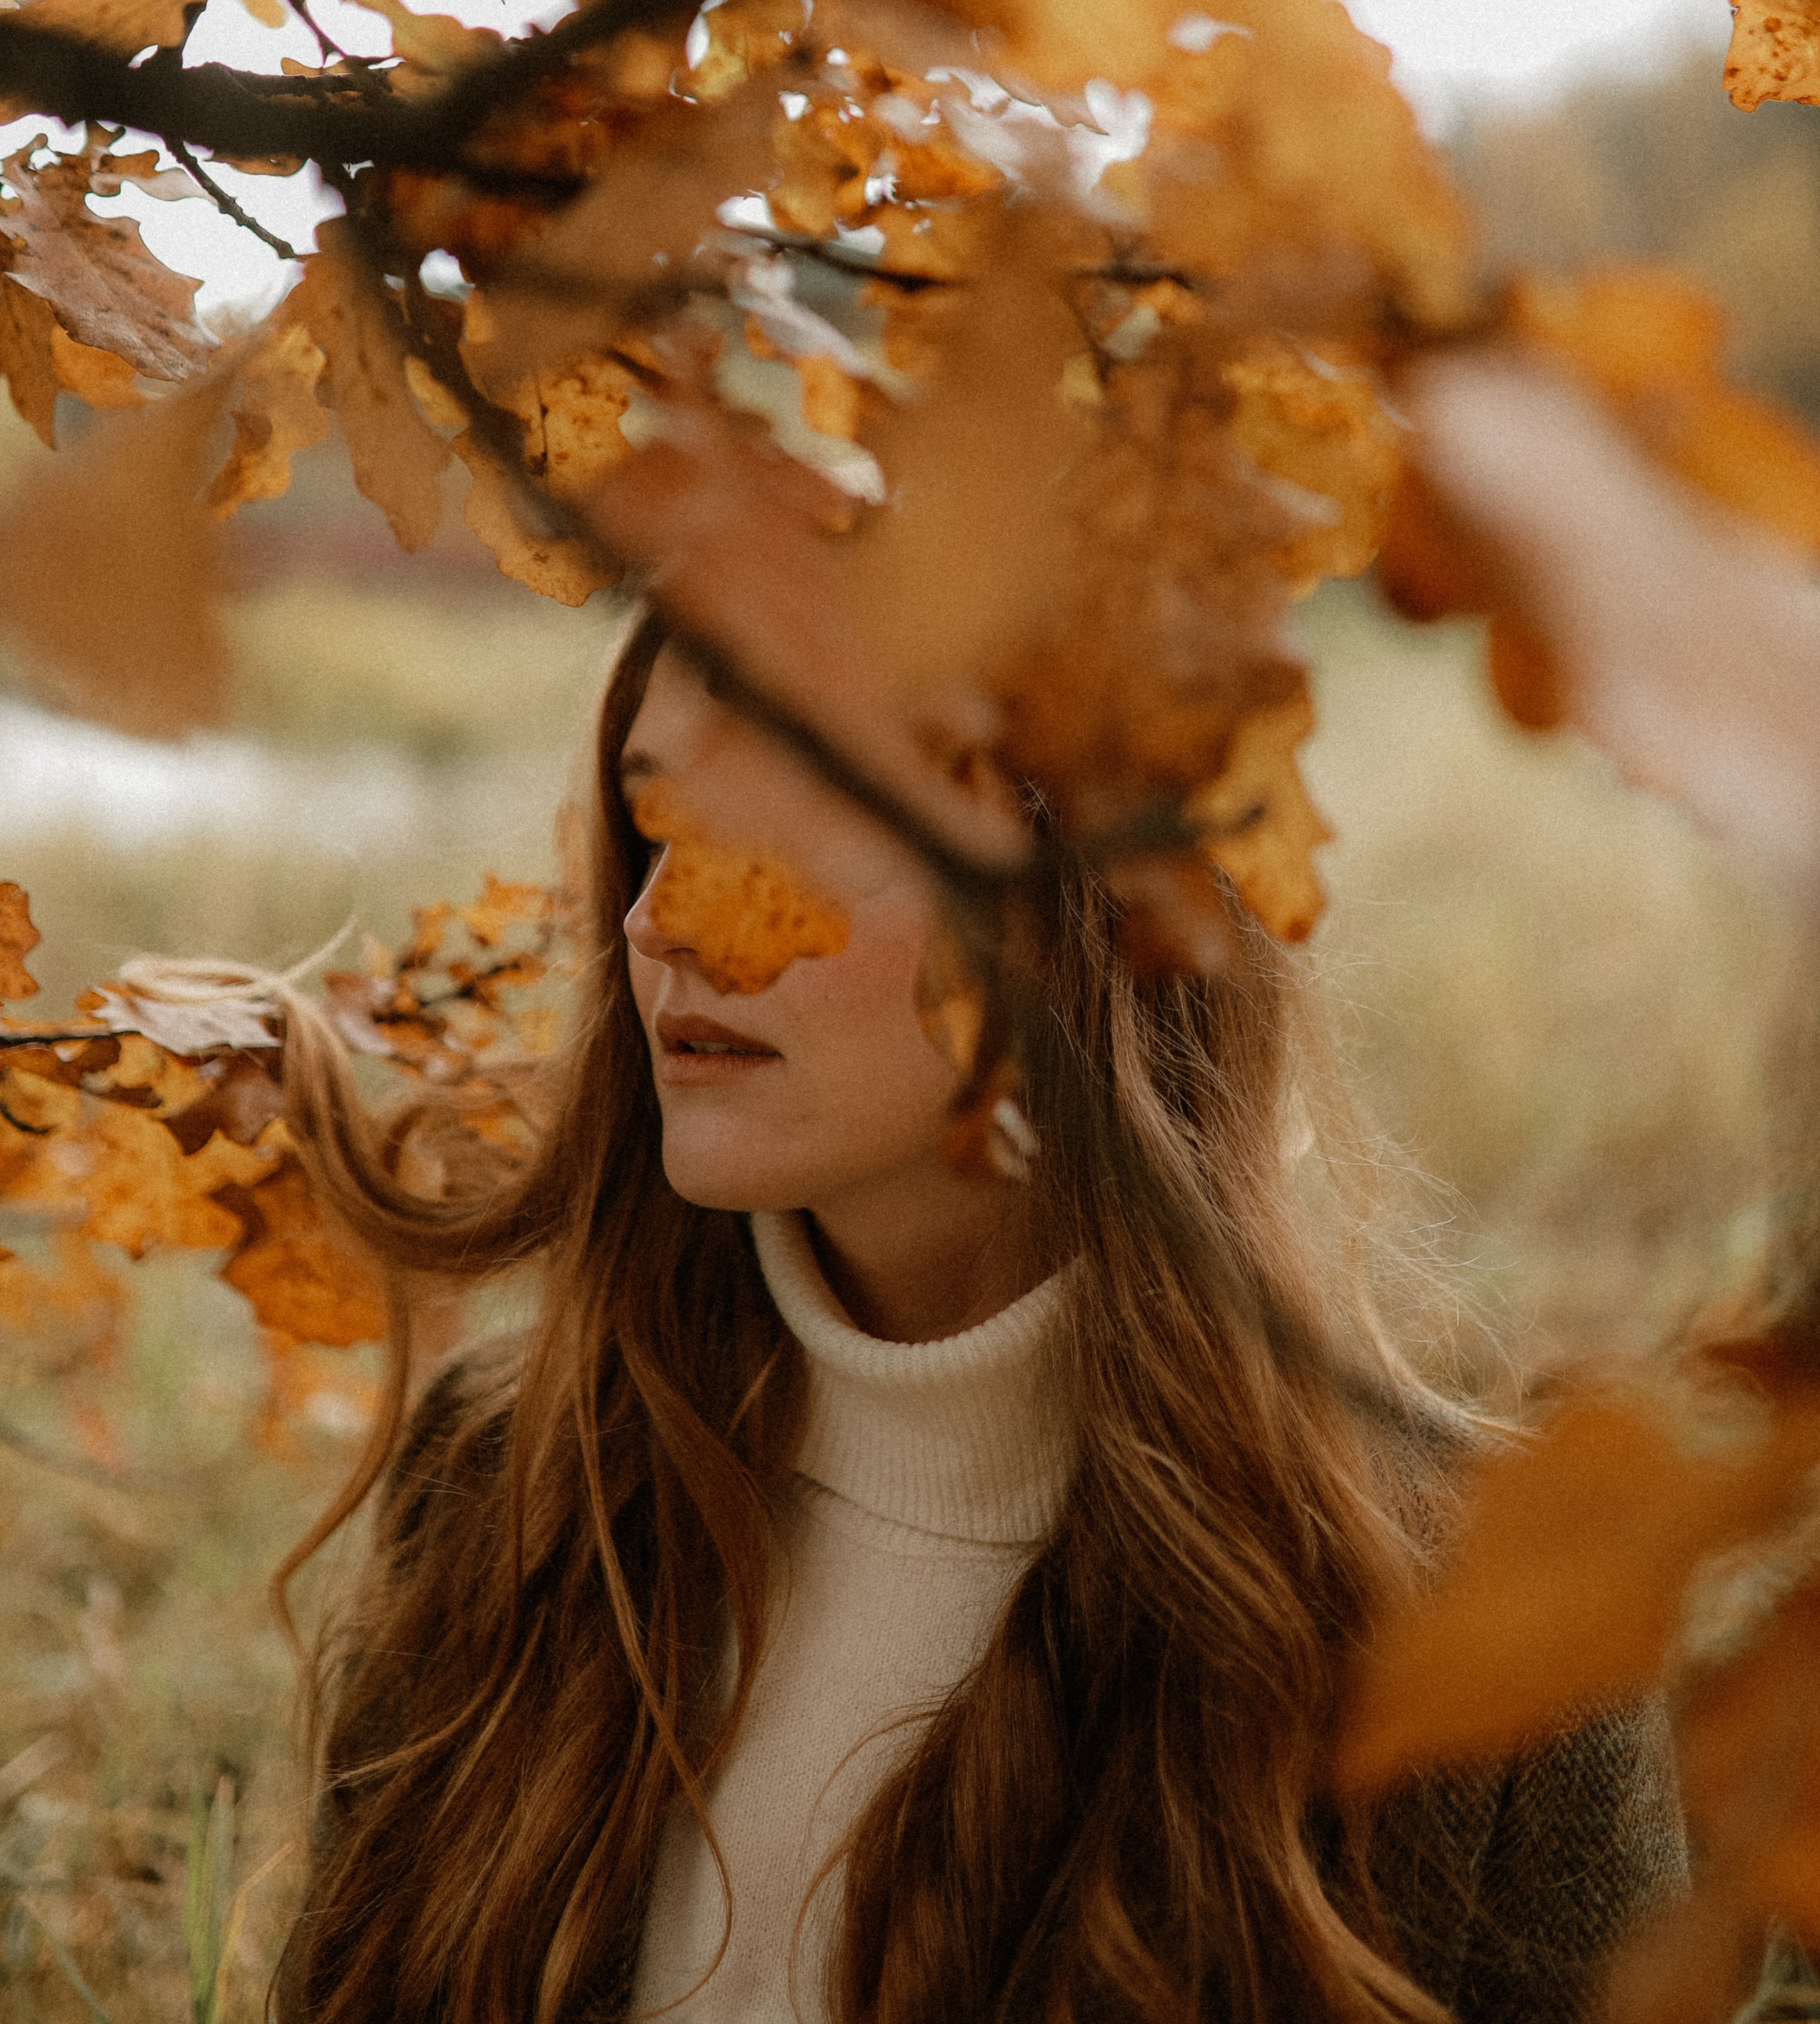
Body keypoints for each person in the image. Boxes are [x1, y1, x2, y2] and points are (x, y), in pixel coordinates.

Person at [270, 592, 1686, 2024]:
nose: (662, 927)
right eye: (656, 834)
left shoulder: (1484, 1634)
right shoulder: (501, 1487)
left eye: (801, 833)